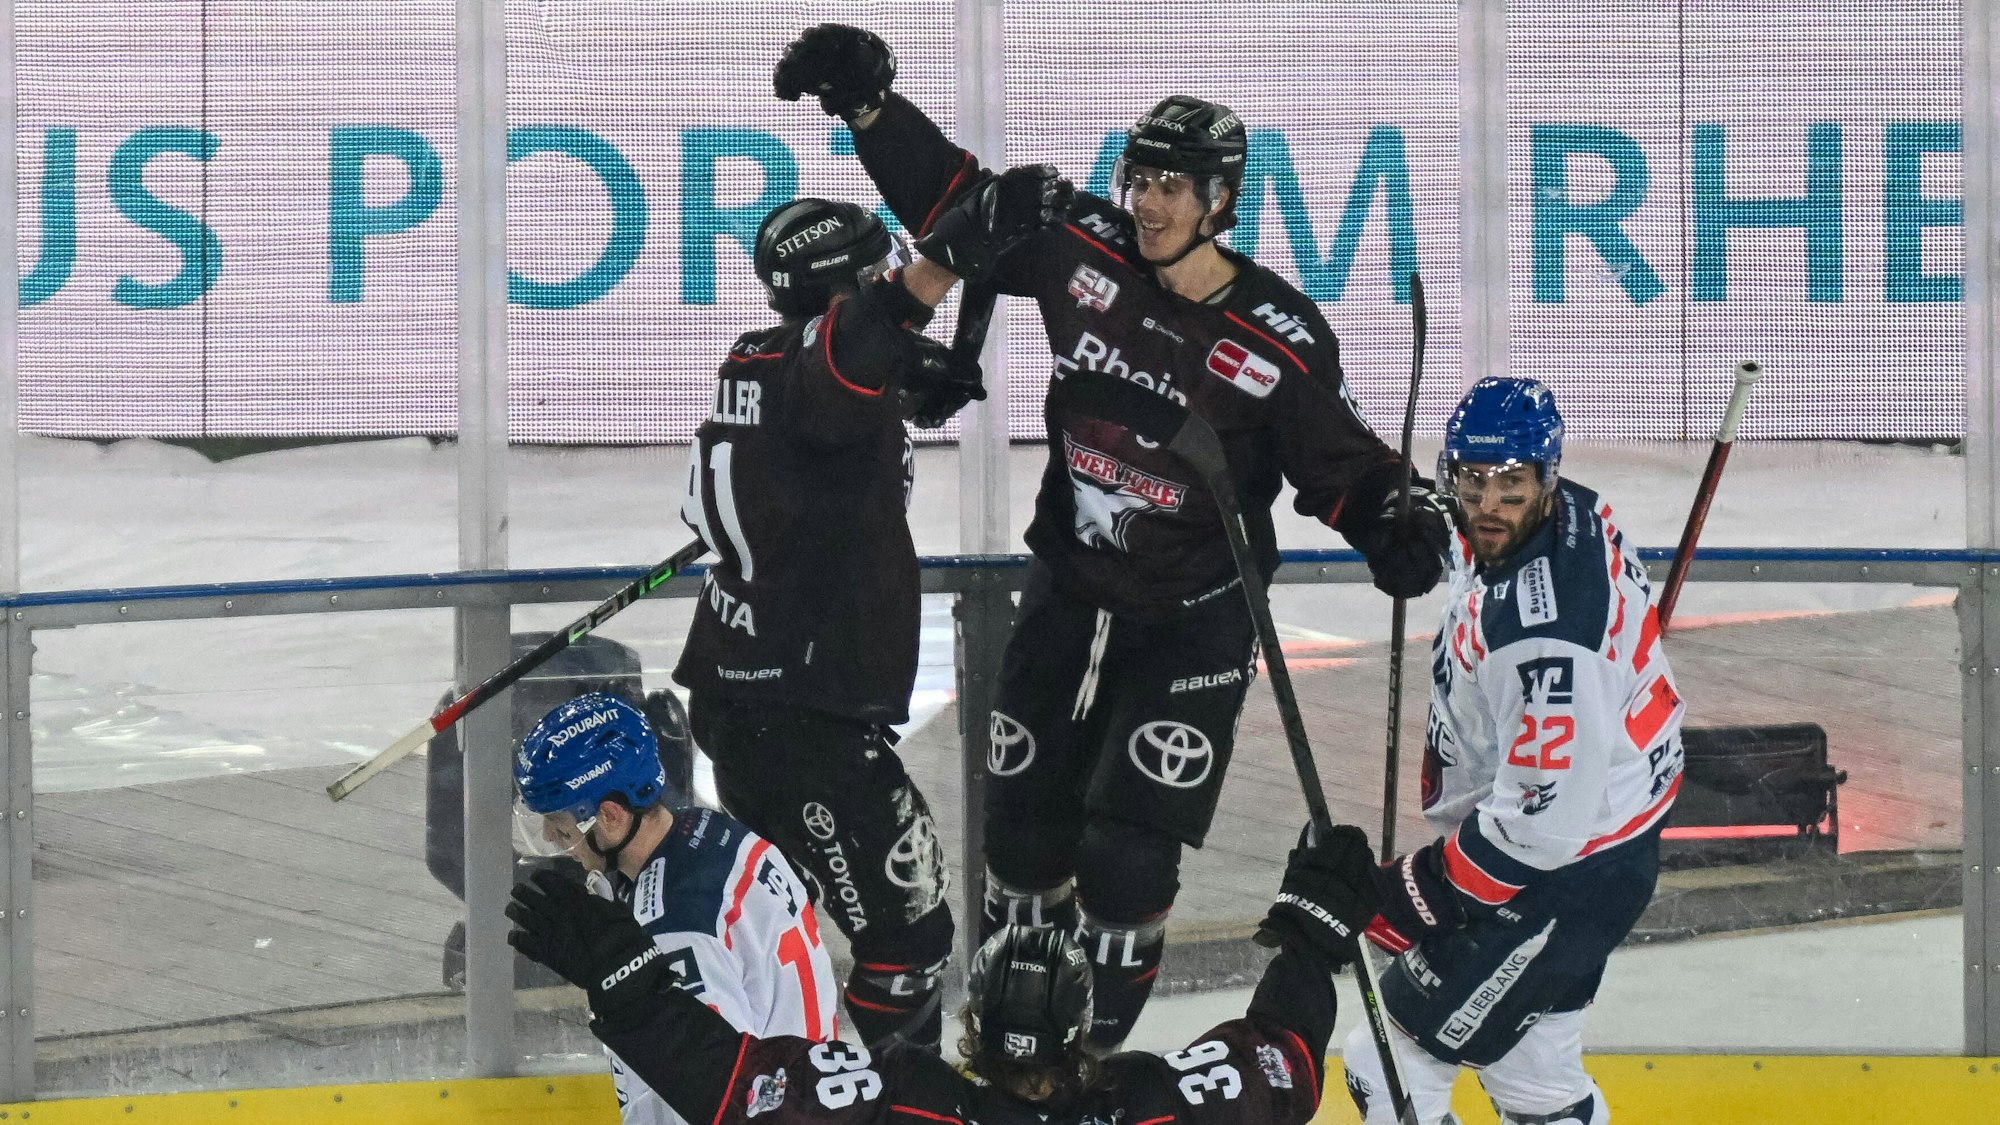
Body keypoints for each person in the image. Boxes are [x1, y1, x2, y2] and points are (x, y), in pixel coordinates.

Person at [772, 23, 1452, 1049]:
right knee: (1019, 841)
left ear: (1221, 201)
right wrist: (871, 112)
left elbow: (1345, 470)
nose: (1147, 203)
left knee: (1128, 860)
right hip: (1068, 591)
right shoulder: (1083, 248)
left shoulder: (1279, 336)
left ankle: (1085, 1063)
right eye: (1139, 179)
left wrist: (1396, 522)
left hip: (1192, 623)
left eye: (1173, 187)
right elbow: (959, 201)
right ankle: (1008, 1048)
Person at [673, 182, 1070, 1051]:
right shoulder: (831, 363)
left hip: (751, 697)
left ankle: (786, 1088)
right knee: (908, 938)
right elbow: (862, 336)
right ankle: (886, 1104)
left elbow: (833, 390)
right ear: (845, 286)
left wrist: (897, 385)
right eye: (875, 271)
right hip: (801, 713)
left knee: (783, 924)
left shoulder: (757, 359)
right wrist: (954, 243)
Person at [505, 819, 1384, 1125]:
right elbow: (1284, 1063)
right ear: (1080, 1028)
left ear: (974, 1023)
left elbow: (734, 1086)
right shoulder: (1152, 1101)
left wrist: (624, 978)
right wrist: (1313, 941)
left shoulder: (909, 1099)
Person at [1340, 377, 1686, 1125]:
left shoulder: (1547, 639)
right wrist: (1420, 529)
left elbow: (1545, 822)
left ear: (1546, 476)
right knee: (1535, 1081)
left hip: (1559, 871)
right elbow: (1480, 544)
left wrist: (1425, 887)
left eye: (1509, 485)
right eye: (1471, 482)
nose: (1488, 504)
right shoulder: (1571, 511)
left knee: (1387, 1060)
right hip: (1602, 848)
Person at [514, 692, 836, 1125]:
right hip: (808, 1099)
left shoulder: (673, 930)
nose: (551, 838)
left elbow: (705, 1091)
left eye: (560, 824)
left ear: (610, 815)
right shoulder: (712, 830)